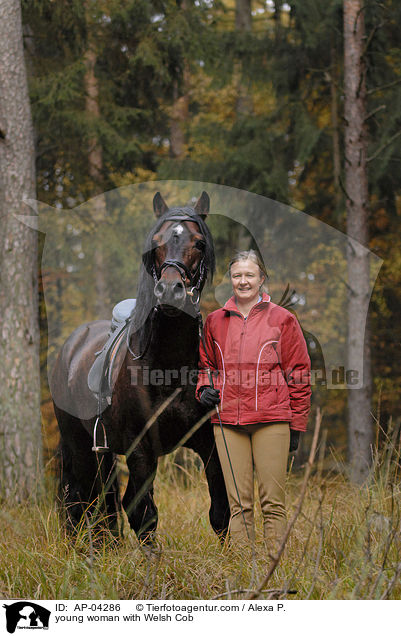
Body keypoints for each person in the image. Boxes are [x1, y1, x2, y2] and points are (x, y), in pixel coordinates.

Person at [196, 250, 311, 547]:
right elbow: (206, 365)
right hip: (227, 422)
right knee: (239, 506)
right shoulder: (214, 322)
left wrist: (296, 424)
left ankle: (276, 574)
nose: (243, 281)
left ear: (261, 279)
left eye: (249, 275)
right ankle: (240, 579)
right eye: (237, 275)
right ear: (230, 280)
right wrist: (204, 387)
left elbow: (299, 373)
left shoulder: (283, 319)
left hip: (271, 421)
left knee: (273, 504)